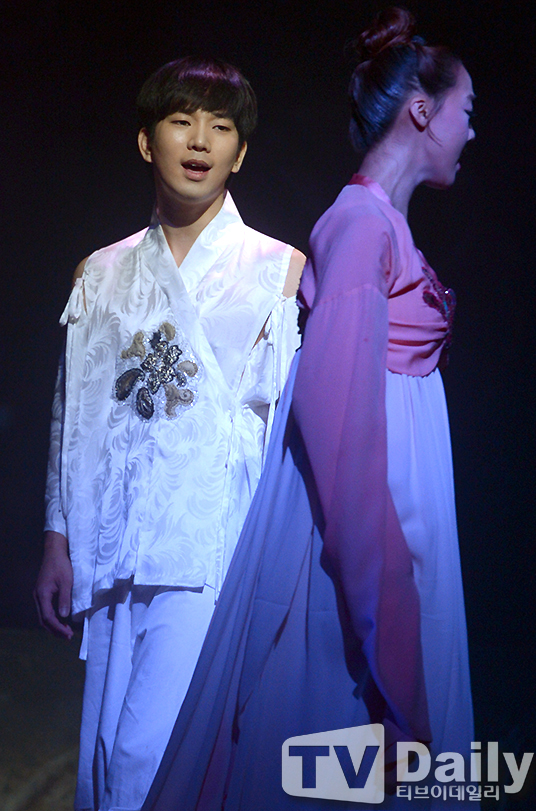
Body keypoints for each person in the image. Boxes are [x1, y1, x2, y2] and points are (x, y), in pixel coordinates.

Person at [142, 8, 475, 811]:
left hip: (402, 533)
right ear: (422, 110)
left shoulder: (381, 227)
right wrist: (393, 629)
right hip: (366, 549)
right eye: (466, 110)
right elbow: (343, 436)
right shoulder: (360, 227)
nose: (471, 131)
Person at [33, 56, 305, 811]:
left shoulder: (276, 269)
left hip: (210, 543)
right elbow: (73, 414)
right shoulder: (101, 272)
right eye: (182, 121)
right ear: (147, 140)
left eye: (221, 127)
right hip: (115, 541)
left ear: (239, 153)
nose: (200, 140)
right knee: (104, 756)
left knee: (147, 754)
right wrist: (57, 538)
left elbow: (282, 423)